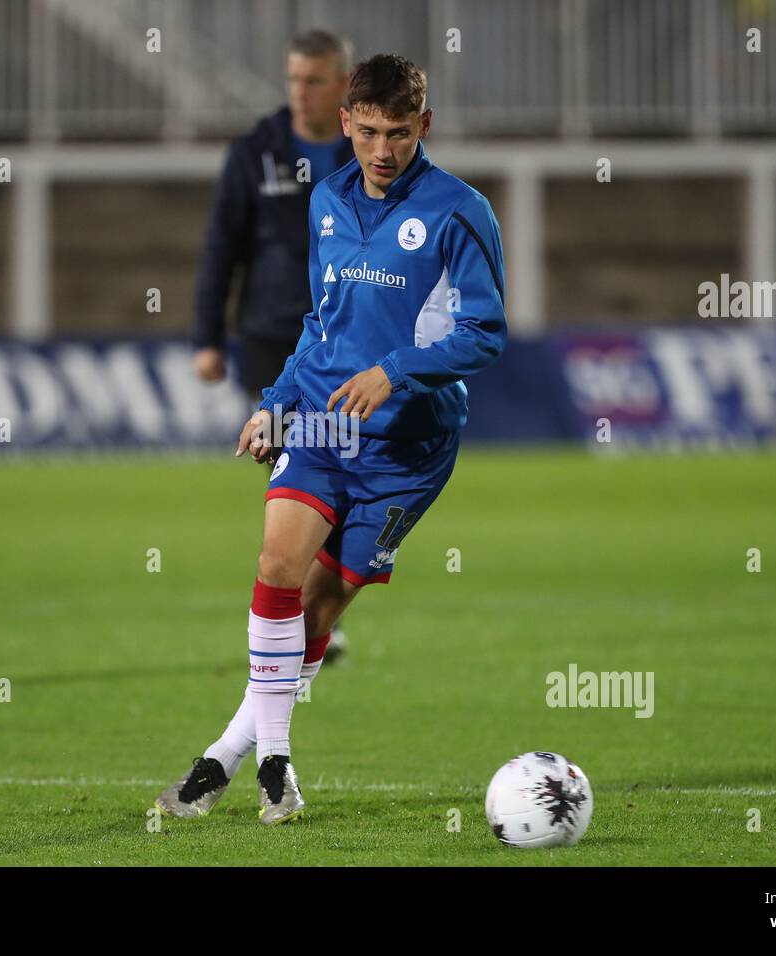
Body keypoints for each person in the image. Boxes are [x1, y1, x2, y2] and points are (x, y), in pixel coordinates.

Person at [158, 53, 507, 825]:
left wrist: (395, 371)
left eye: (401, 135)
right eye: (370, 132)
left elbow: (488, 333)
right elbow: (320, 325)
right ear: (346, 123)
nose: (384, 152)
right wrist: (277, 402)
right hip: (318, 423)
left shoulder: (460, 211)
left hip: (408, 450)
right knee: (278, 562)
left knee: (318, 611)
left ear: (426, 126)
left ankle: (224, 754)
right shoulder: (325, 202)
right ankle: (276, 762)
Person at [191, 29, 356, 665]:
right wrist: (207, 337)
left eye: (313, 80)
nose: (300, 92)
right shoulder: (255, 152)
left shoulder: (365, 152)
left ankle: (305, 607)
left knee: (335, 464)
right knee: (299, 462)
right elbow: (219, 247)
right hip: (269, 337)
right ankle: (303, 609)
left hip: (342, 340)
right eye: (293, 78)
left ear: (342, 85)